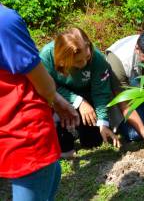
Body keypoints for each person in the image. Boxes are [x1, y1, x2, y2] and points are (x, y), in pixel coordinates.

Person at [0, 0, 79, 200]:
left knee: (52, 174)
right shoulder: (5, 21)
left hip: (8, 130)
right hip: (24, 132)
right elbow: (43, 82)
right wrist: (58, 100)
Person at [40, 27, 120, 158]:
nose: (84, 63)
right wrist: (78, 101)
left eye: (87, 58)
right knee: (64, 147)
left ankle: (78, 129)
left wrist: (103, 122)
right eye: (77, 61)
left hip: (89, 97)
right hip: (59, 100)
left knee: (93, 142)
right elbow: (47, 87)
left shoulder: (97, 59)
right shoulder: (46, 57)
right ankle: (61, 128)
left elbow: (100, 91)